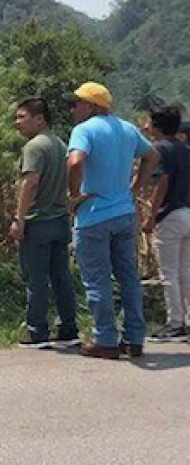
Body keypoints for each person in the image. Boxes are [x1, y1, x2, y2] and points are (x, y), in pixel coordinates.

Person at [67, 82, 158, 359]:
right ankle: (134, 337)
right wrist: (136, 187)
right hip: (124, 213)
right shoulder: (128, 129)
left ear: (92, 106)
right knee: (128, 276)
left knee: (97, 279)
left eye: (78, 103)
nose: (74, 109)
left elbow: (74, 162)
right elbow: (152, 156)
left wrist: (74, 195)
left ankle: (105, 339)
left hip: (94, 215)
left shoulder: (84, 130)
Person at [10, 97, 80, 348]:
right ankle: (68, 328)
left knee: (36, 279)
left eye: (22, 116)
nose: (17, 122)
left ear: (39, 118)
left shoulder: (34, 147)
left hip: (38, 222)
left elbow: (30, 182)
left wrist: (19, 218)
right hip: (60, 221)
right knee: (61, 277)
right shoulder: (60, 144)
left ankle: (37, 330)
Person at [141, 105, 190, 341]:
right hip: (185, 212)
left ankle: (175, 324)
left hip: (169, 215)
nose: (145, 126)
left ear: (157, 126)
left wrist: (151, 215)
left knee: (168, 273)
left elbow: (162, 181)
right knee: (185, 271)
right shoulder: (183, 148)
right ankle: (186, 320)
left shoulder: (158, 149)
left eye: (148, 122)